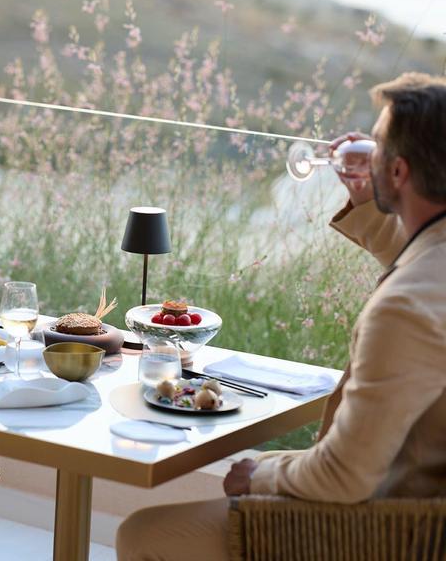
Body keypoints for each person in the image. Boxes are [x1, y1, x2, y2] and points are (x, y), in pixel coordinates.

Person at [116, 72, 446, 559]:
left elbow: (344, 476)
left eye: (376, 145)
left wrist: (259, 474)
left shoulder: (404, 309)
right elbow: (419, 255)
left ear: (397, 173)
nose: (366, 153)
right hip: (419, 495)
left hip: (390, 528)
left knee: (144, 534)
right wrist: (365, 199)